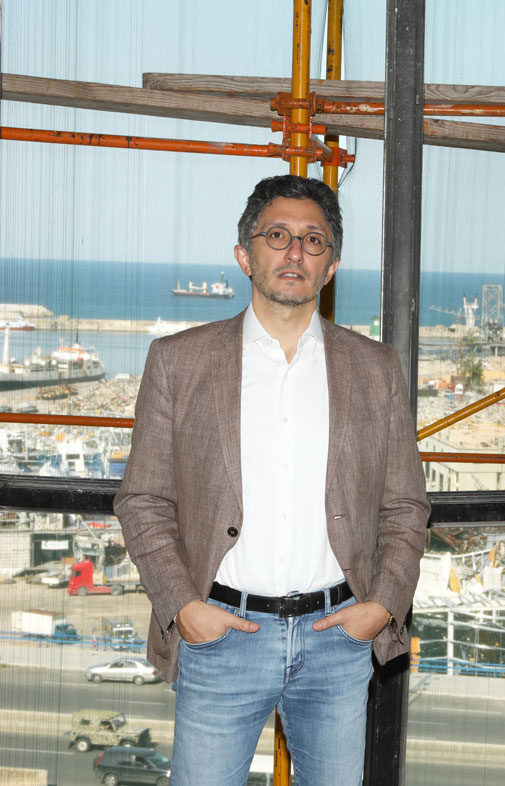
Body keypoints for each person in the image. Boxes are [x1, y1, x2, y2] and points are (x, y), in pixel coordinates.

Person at [115, 174, 429, 786]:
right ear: (245, 255)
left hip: (338, 639)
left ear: (331, 266)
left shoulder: (375, 368)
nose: (295, 252)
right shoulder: (178, 362)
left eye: (314, 240)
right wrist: (184, 607)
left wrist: (381, 607)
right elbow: (143, 499)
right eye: (277, 235)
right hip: (220, 637)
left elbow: (404, 506)